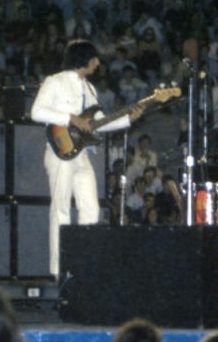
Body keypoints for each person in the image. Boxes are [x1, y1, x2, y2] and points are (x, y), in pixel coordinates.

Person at [31, 39, 144, 276]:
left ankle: (83, 268)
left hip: (81, 154)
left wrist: (128, 119)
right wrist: (71, 118)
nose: (98, 63)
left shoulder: (90, 89)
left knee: (91, 209)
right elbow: (37, 112)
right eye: (95, 58)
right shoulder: (55, 81)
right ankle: (58, 272)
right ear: (86, 59)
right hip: (59, 152)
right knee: (60, 210)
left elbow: (98, 123)